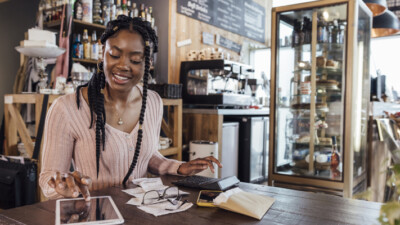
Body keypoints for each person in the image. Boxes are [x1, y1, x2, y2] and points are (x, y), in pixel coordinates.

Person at [39, 15, 222, 201]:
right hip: (93, 214)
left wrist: (179, 167)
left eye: (135, 60)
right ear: (103, 53)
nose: (123, 65)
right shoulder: (67, 109)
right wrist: (63, 185)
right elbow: (48, 179)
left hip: (139, 212)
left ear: (147, 63)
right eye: (115, 55)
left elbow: (145, 156)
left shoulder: (152, 102)